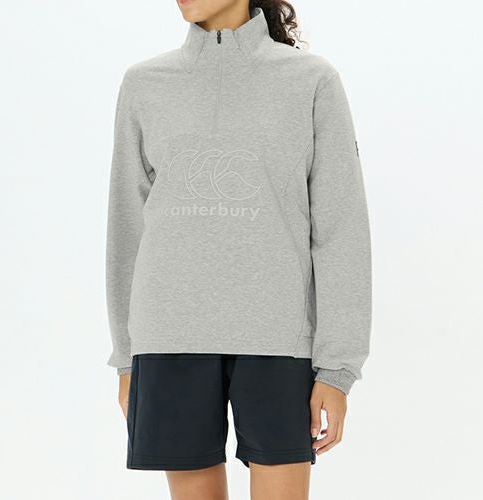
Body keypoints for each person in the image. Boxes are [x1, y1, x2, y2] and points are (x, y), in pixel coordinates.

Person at [106, 0, 371, 498]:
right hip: (169, 340)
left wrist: (337, 370)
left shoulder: (311, 82)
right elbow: (127, 228)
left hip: (278, 341)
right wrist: (126, 358)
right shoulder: (145, 84)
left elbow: (340, 230)